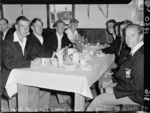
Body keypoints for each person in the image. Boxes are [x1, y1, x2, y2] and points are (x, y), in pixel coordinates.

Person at [86, 24, 144, 111]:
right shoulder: (135, 50)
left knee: (99, 100)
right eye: (126, 36)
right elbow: (126, 72)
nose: (128, 39)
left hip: (137, 95)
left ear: (141, 36)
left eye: (132, 35)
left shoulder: (141, 56)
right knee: (104, 85)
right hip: (130, 87)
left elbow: (136, 86)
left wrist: (114, 90)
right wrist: (112, 80)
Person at [1, 16, 42, 111]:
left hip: (25, 75)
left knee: (35, 87)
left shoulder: (28, 40)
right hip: (10, 78)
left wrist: (36, 59)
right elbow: (9, 63)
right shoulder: (7, 42)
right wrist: (31, 63)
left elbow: (33, 55)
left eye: (27, 26)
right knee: (23, 92)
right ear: (16, 26)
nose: (25, 29)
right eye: (22, 26)